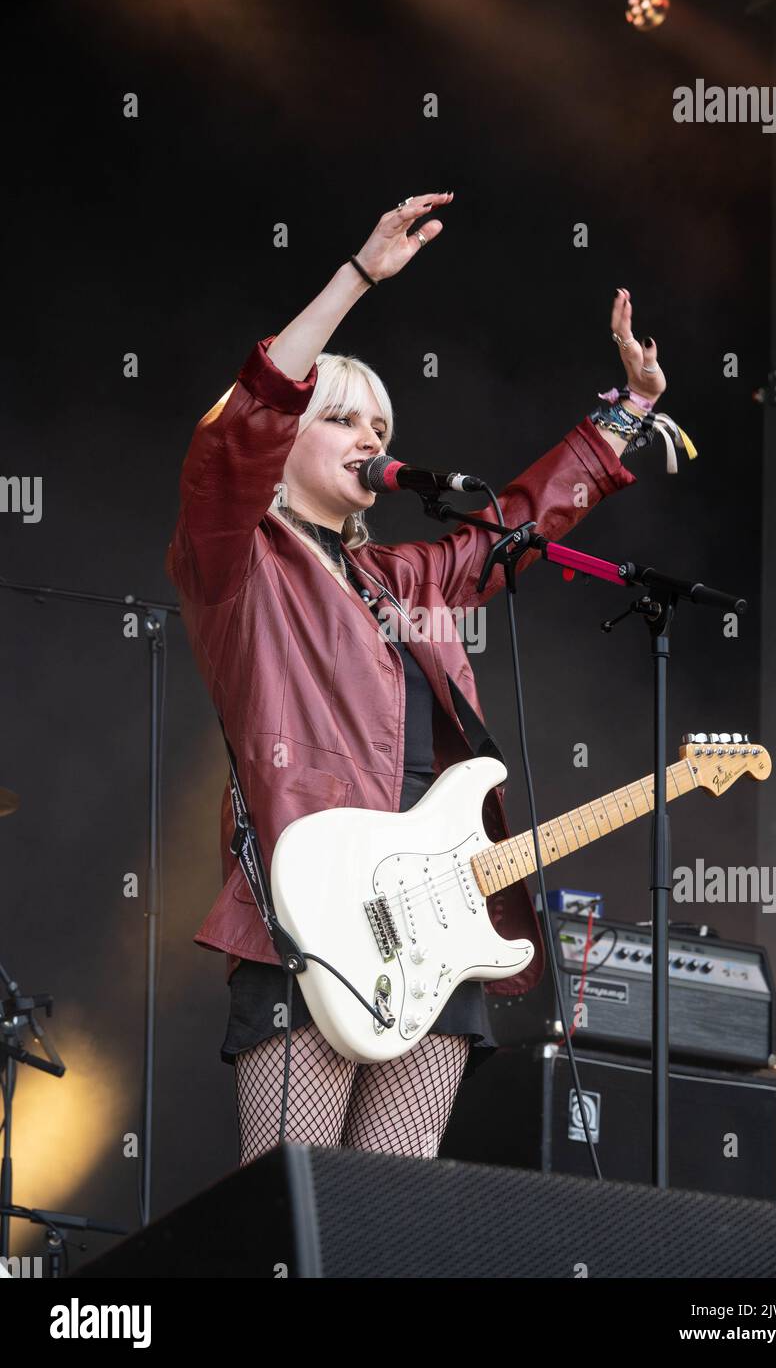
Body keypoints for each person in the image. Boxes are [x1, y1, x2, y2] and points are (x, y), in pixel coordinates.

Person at [166, 189, 667, 1165]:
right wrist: (356, 278)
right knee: (299, 1209)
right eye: (341, 417)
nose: (370, 438)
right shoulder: (236, 561)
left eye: (380, 422)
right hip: (312, 913)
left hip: (436, 924)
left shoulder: (404, 577)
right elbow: (239, 430)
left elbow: (517, 525)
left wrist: (628, 412)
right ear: (283, 440)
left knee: (389, 1218)